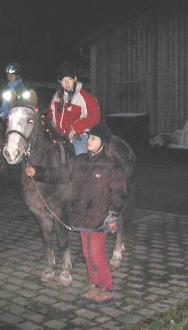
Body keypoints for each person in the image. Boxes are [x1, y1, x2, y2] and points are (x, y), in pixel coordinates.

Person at [25, 124, 126, 305]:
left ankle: (107, 289)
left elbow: (118, 193)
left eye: (94, 139)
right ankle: (94, 284)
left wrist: (112, 214)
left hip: (98, 217)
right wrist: (38, 171)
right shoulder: (79, 161)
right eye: (89, 138)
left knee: (97, 253)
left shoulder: (112, 166)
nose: (89, 141)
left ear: (103, 143)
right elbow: (59, 174)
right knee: (87, 253)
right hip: (81, 216)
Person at [48, 62, 101, 155]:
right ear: (59, 82)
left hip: (79, 135)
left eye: (69, 80)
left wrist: (76, 127)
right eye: (63, 81)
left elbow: (95, 117)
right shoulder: (56, 97)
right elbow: (51, 113)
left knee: (80, 154)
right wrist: (52, 122)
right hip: (59, 135)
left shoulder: (86, 98)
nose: (67, 84)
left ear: (75, 79)